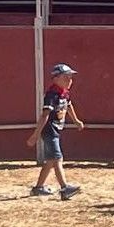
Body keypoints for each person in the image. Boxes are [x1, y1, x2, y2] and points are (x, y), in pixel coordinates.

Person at [27, 62, 84, 200]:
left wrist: (76, 120)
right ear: (56, 79)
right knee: (57, 159)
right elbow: (45, 115)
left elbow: (69, 106)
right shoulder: (51, 95)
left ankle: (38, 188)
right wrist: (36, 134)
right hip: (49, 131)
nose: (70, 81)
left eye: (70, 78)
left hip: (55, 130)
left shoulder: (64, 93)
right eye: (66, 77)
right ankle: (64, 188)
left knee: (51, 161)